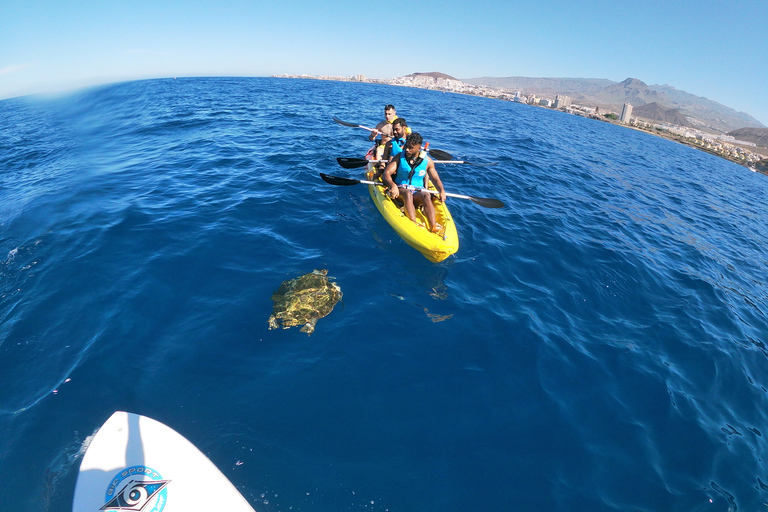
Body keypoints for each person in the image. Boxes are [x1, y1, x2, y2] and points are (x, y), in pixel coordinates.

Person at [382, 132, 447, 233]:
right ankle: (413, 224)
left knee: (426, 195)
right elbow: (386, 174)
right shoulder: (399, 157)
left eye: (411, 147)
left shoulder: (428, 161)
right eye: (406, 146)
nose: (407, 149)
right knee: (408, 194)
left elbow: (435, 179)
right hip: (401, 190)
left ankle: (433, 225)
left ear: (419, 148)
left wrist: (441, 190)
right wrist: (392, 185)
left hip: (417, 192)